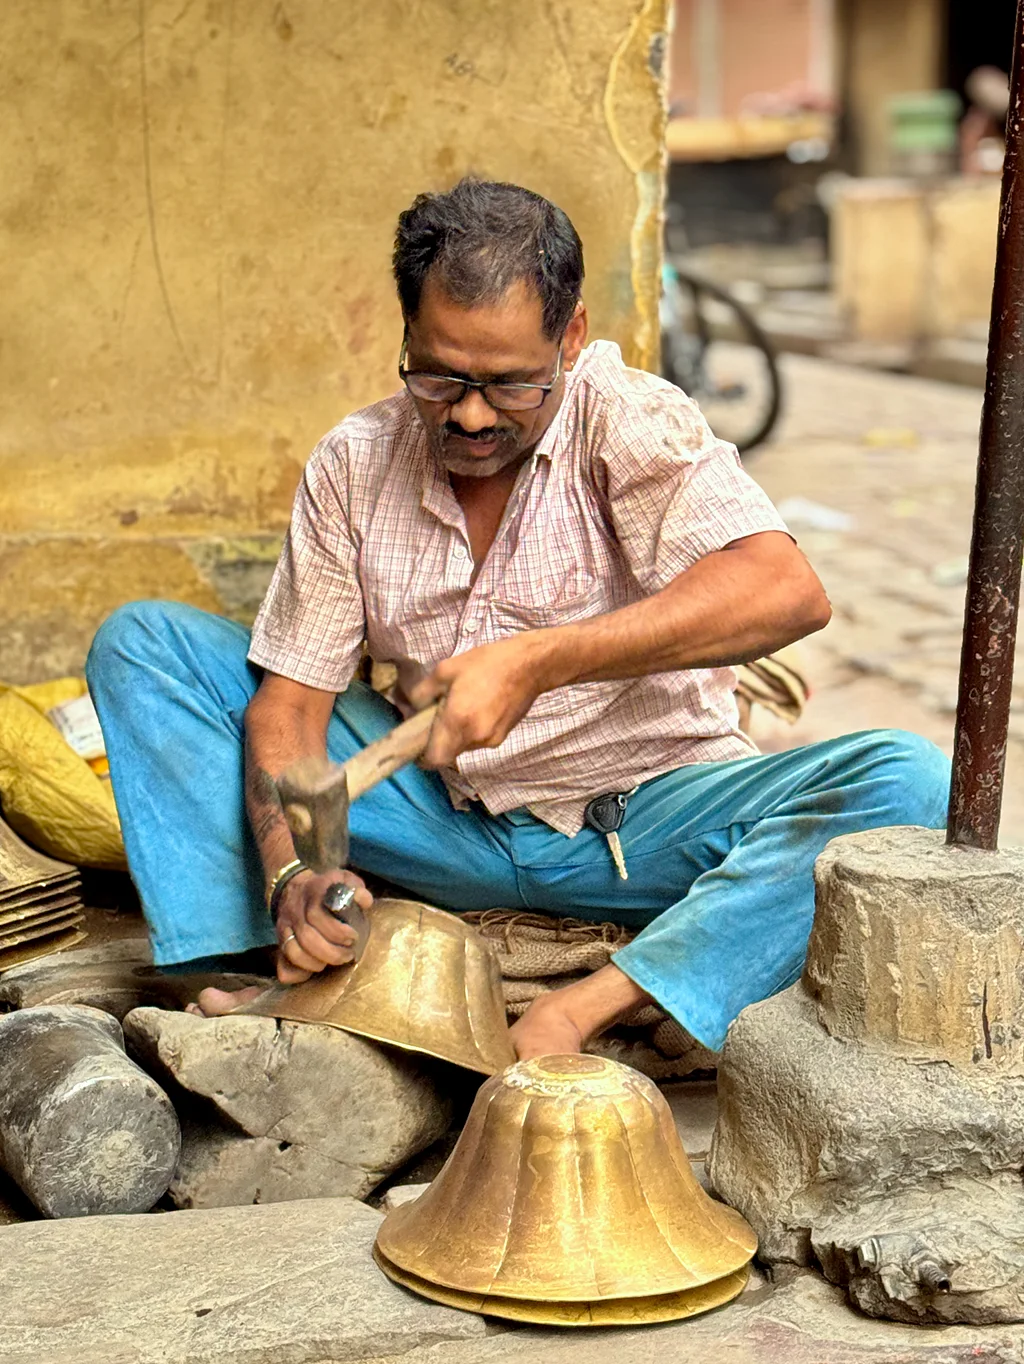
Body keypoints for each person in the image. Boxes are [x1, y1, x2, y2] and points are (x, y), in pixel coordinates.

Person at [87, 178, 950, 1060]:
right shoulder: (355, 462)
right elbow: (290, 709)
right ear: (405, 334)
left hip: (645, 828)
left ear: (569, 337)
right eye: (439, 376)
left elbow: (785, 589)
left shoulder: (624, 417)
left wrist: (539, 661)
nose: (467, 413)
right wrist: (296, 872)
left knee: (912, 780)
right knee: (148, 646)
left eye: (507, 384)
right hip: (444, 824)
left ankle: (599, 1000)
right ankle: (247, 972)